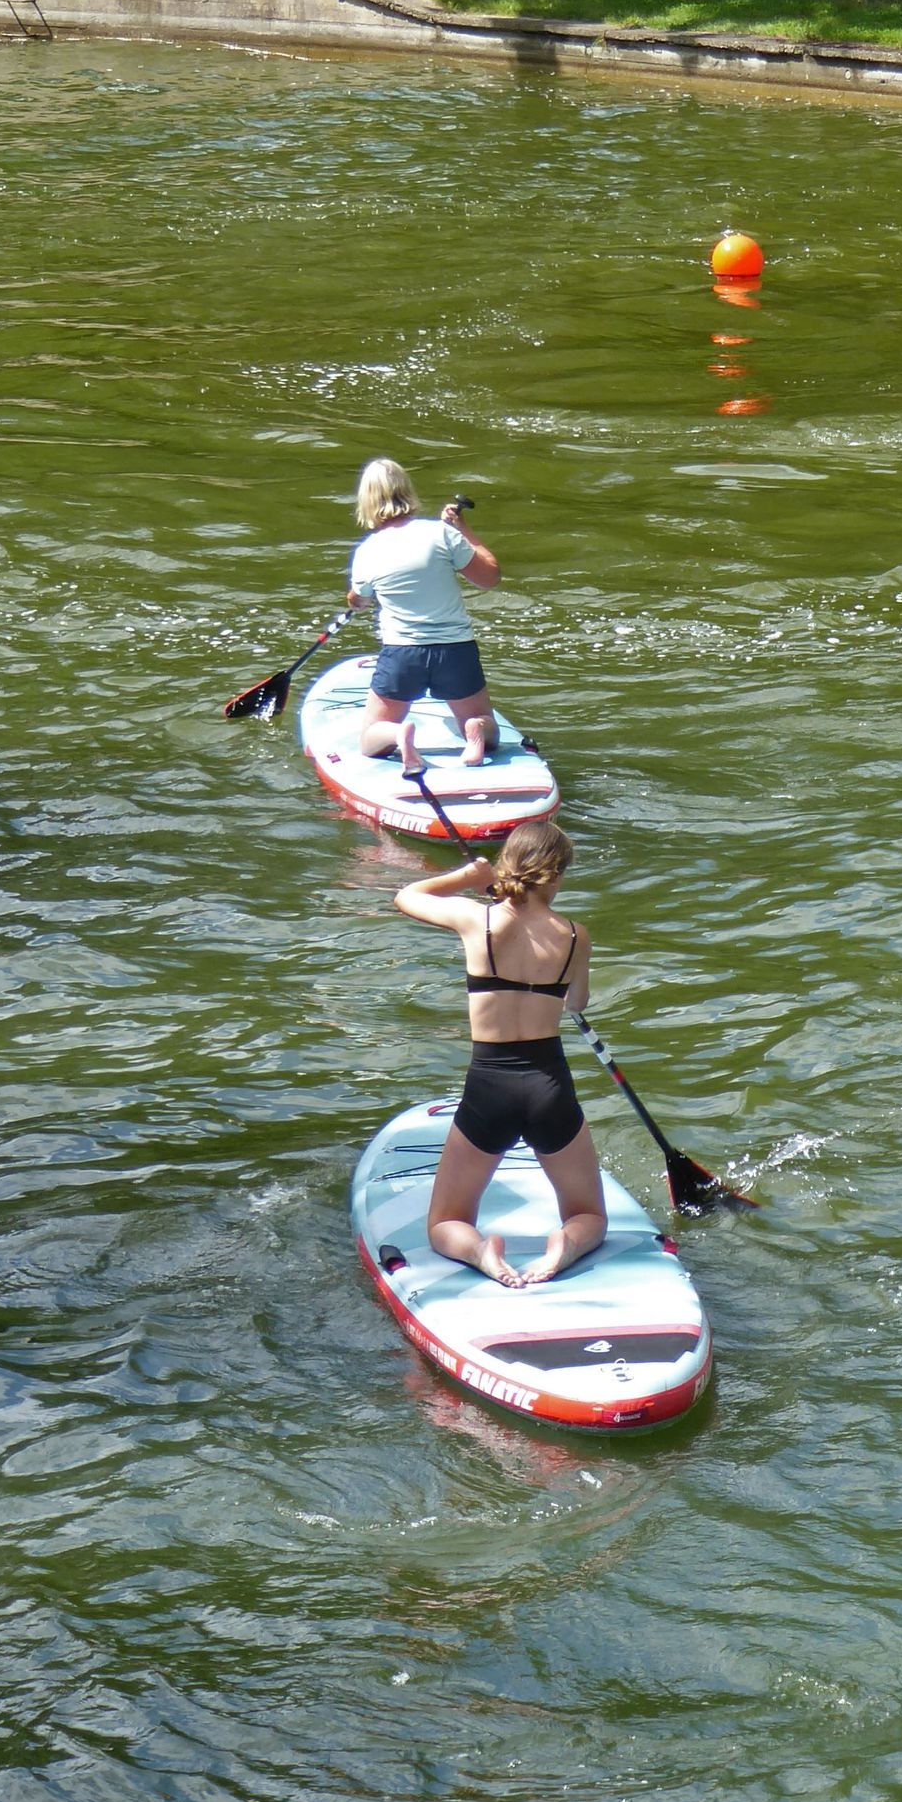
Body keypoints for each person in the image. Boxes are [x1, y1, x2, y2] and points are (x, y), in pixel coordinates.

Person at [392, 819, 605, 1288]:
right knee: (588, 1214)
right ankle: (565, 1244)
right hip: (549, 1087)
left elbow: (406, 896)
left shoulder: (476, 919)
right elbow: (577, 1003)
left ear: (509, 866)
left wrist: (467, 878)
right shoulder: (575, 937)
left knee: (446, 1223)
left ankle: (481, 1250)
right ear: (558, 875)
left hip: (490, 1086)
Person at [347, 458, 501, 772]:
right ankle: (474, 731)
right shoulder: (443, 534)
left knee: (369, 739)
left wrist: (355, 599)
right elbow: (490, 577)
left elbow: (358, 599)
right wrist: (463, 529)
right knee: (489, 728)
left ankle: (398, 733)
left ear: (367, 501)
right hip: (455, 652)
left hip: (403, 656)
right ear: (407, 491)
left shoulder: (367, 551)